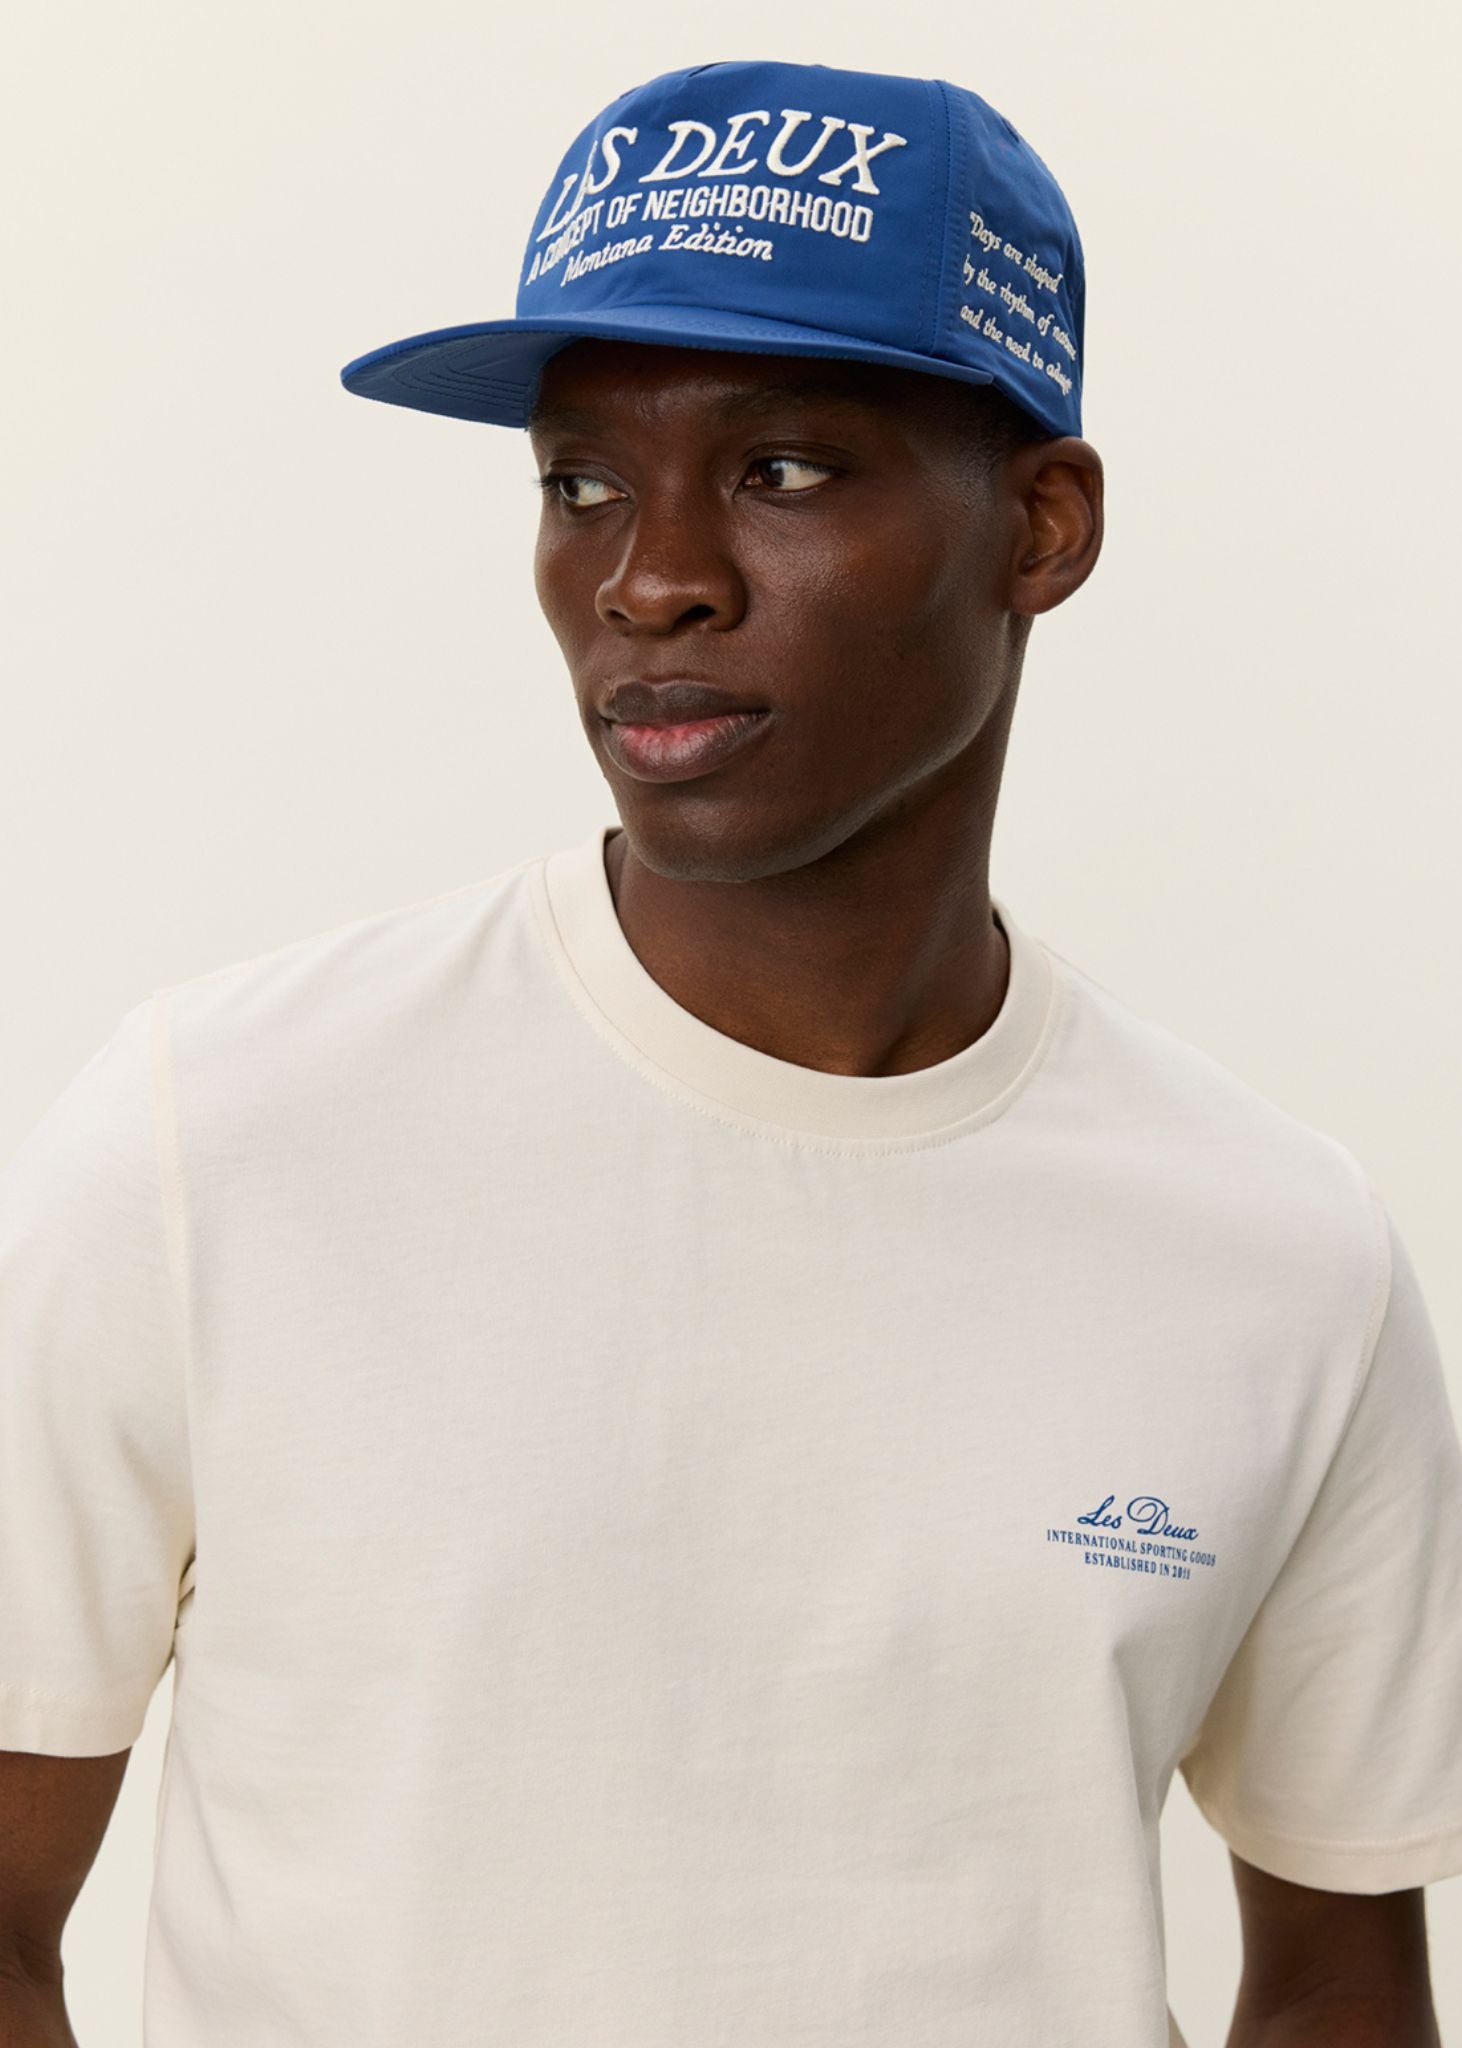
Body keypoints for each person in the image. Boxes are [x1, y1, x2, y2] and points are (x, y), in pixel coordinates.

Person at [1, 55, 1458, 2048]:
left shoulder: (1277, 1251)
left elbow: (1335, 1999)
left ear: (1039, 526)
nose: (647, 577)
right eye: (580, 482)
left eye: (780, 470)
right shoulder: (216, 1139)